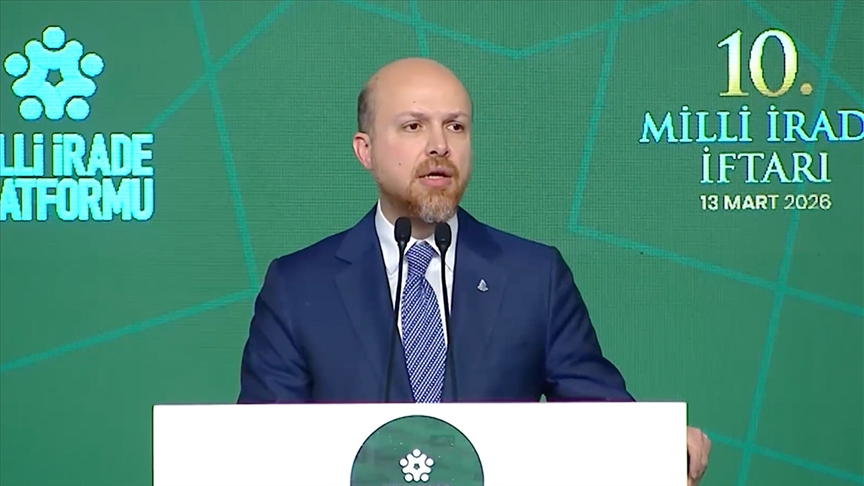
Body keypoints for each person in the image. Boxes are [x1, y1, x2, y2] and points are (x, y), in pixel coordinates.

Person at [237, 57, 711, 485]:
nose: (439, 145)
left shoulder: (534, 277)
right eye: (413, 126)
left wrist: (655, 443)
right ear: (366, 151)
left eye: (456, 127)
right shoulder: (299, 286)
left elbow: (599, 415)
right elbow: (261, 449)